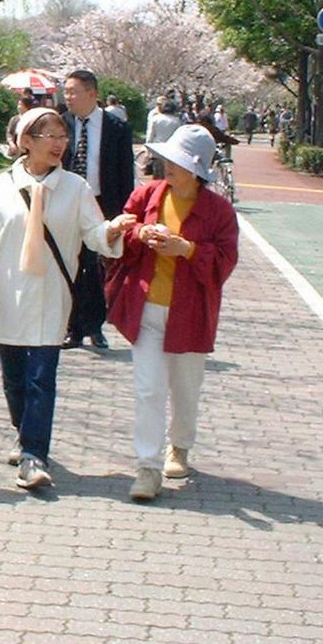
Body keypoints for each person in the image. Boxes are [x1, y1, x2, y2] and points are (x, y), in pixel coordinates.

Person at [0, 107, 134, 489]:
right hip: (8, 294)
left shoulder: (76, 188)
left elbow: (94, 233)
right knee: (14, 380)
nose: (59, 144)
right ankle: (24, 432)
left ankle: (35, 455)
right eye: (49, 136)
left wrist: (114, 230)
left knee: (41, 378)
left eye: (62, 136)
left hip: (52, 294)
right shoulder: (1, 185)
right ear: (26, 142)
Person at [107, 125, 238, 501]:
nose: (167, 167)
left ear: (195, 169)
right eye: (167, 160)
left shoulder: (219, 211)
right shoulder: (147, 194)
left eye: (177, 163)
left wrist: (188, 250)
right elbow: (123, 231)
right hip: (146, 307)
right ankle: (147, 468)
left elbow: (225, 263)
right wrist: (139, 235)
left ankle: (179, 445)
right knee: (148, 389)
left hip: (190, 313)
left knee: (185, 390)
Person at [60, 69, 135, 349]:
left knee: (96, 267)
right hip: (67, 203)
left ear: (92, 94)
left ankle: (95, 325)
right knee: (71, 263)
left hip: (102, 204)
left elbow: (125, 173)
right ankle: (73, 327)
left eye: (73, 91)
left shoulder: (116, 128)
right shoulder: (60, 123)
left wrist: (123, 214)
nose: (67, 97)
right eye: (65, 91)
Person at [145, 98, 183, 179]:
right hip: (171, 151)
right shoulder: (176, 121)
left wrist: (147, 149)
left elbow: (150, 136)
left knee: (157, 175)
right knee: (170, 175)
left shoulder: (155, 119)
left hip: (157, 150)